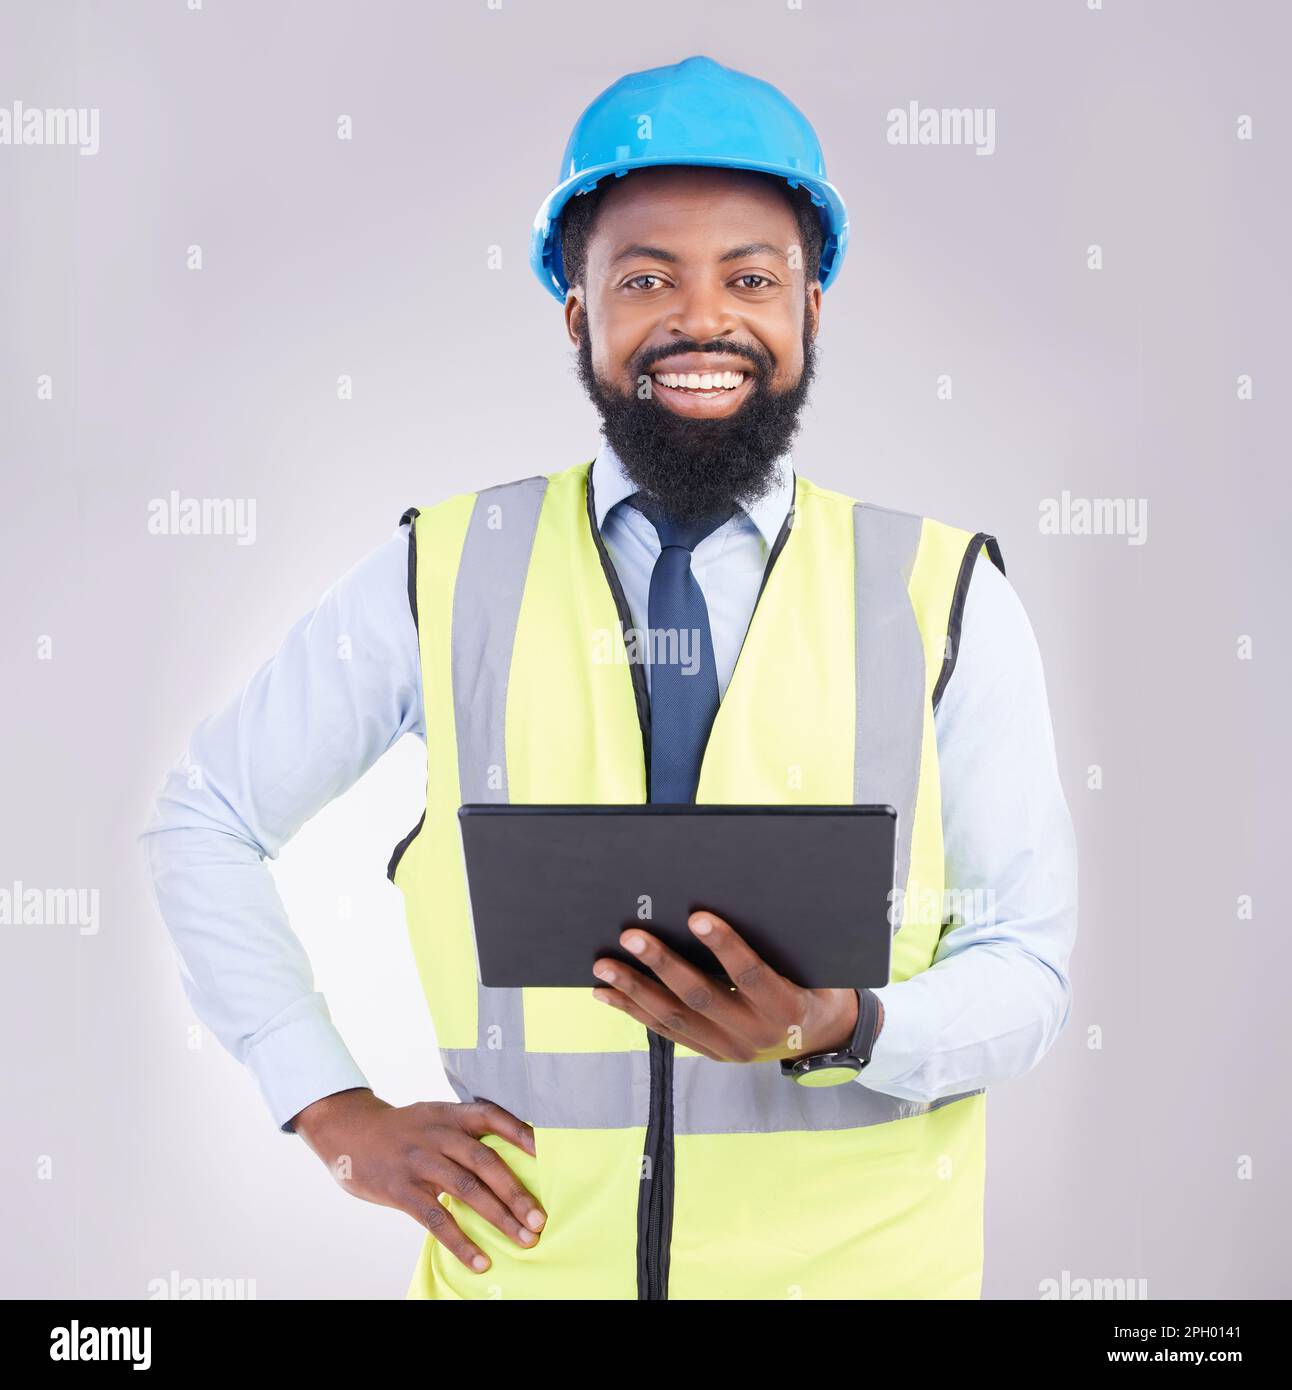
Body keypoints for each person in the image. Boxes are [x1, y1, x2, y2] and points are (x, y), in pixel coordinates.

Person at [141, 54, 1078, 1300]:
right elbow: (204, 814)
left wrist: (838, 1026)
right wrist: (325, 1103)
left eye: (751, 276)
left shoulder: (943, 590)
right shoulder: (443, 571)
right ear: (576, 313)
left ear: (811, 308)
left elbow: (1027, 968)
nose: (703, 319)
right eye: (646, 278)